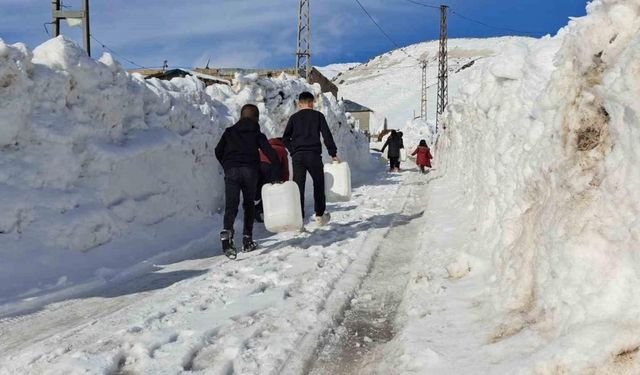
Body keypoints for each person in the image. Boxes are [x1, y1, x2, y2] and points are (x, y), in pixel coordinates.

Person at [215, 104, 281, 258]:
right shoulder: (257, 134)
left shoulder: (229, 132)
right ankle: (247, 239)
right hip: (250, 171)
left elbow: (218, 150)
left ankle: (227, 232)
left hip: (231, 170)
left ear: (241, 116)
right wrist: (276, 175)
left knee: (231, 205)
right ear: (256, 118)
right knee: (249, 204)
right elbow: (271, 155)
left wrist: (227, 165)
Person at [283, 91, 339, 225]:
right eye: (313, 102)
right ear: (310, 102)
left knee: (298, 187)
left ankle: (298, 219)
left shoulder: (294, 118)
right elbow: (327, 135)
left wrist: (293, 151)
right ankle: (319, 215)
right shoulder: (318, 116)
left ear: (299, 104)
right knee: (318, 184)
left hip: (298, 157)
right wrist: (333, 153)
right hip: (313, 155)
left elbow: (285, 138)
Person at [255, 137, 290, 223]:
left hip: (257, 168)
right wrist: (284, 184)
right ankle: (259, 209)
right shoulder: (282, 149)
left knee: (260, 190)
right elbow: (285, 169)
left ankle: (250, 207)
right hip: (271, 168)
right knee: (271, 190)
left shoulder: (263, 148)